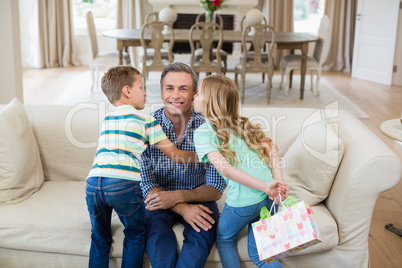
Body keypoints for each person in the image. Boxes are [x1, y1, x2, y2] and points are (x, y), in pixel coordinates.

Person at [85, 66, 199, 268]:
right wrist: (207, 156)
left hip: (93, 183)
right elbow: (175, 155)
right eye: (141, 87)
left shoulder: (107, 119)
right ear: (127, 91)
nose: (145, 92)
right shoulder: (146, 119)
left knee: (99, 238)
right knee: (136, 235)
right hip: (122, 185)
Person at [192, 75, 289, 268]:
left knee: (225, 239)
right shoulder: (243, 124)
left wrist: (267, 186)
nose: (193, 96)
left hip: (242, 204)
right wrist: (277, 184)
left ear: (209, 102)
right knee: (261, 255)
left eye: (197, 93)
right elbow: (272, 150)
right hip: (269, 200)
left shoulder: (203, 132)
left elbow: (226, 171)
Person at [140, 62, 226, 268]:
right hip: (158, 197)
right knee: (156, 239)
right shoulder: (145, 127)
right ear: (161, 92)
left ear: (195, 94)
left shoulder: (211, 128)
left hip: (198, 196)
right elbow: (145, 182)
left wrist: (179, 197)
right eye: (170, 88)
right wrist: (181, 207)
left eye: (183, 89)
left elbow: (215, 188)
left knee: (202, 234)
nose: (175, 95)